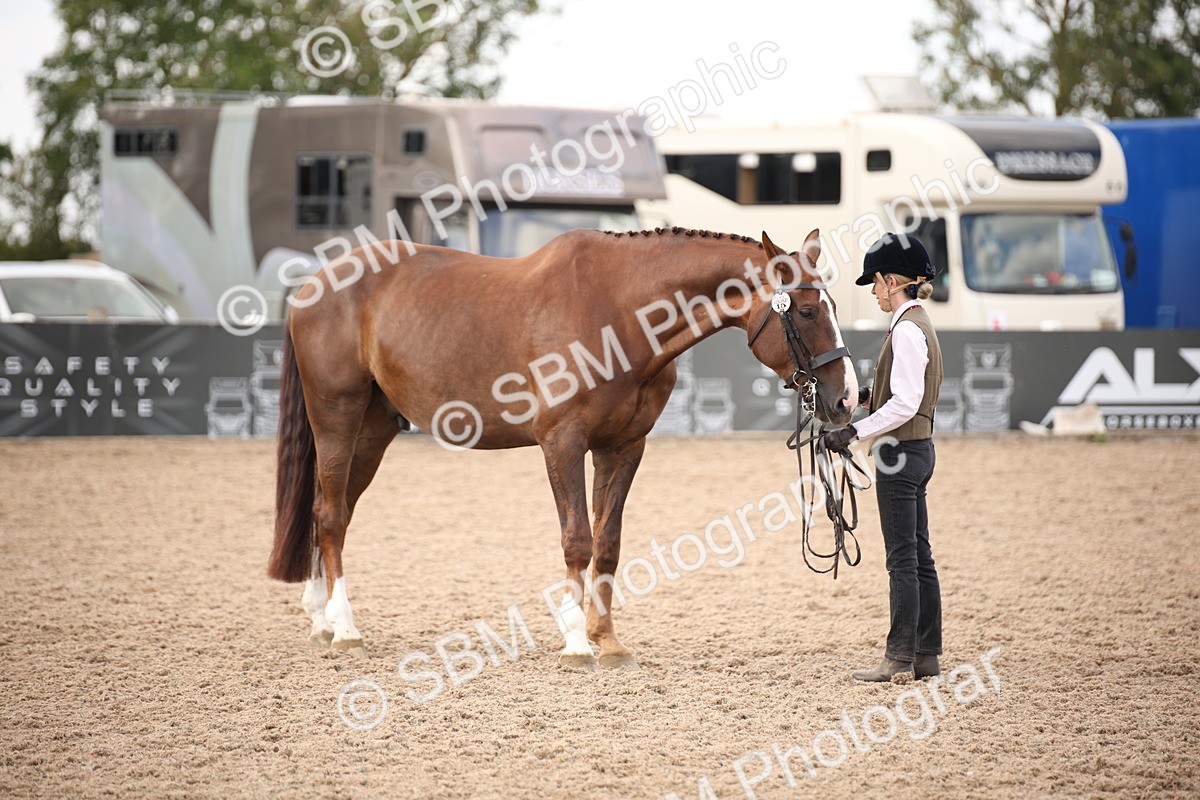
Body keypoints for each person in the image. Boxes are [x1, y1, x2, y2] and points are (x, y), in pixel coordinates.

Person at [822, 232, 943, 682]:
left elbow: (907, 402)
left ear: (891, 281)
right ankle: (927, 654)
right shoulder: (918, 323)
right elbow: (903, 393)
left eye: (874, 284)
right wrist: (867, 398)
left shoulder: (907, 329)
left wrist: (853, 432)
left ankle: (898, 657)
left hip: (900, 454)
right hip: (919, 450)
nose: (873, 293)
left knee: (902, 560)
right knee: (920, 556)